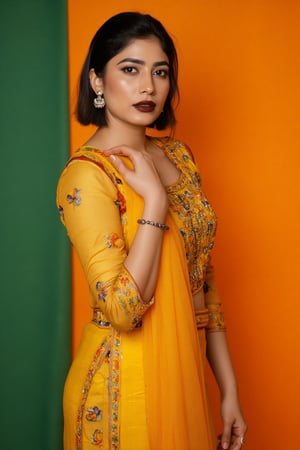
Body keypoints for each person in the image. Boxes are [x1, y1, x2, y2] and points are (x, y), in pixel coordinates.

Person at [56, 11, 247, 450]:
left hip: (183, 375)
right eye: (130, 69)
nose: (148, 87)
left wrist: (228, 390)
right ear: (97, 82)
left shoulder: (178, 156)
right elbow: (123, 310)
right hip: (121, 388)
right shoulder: (86, 177)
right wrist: (155, 204)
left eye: (160, 72)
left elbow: (203, 279)